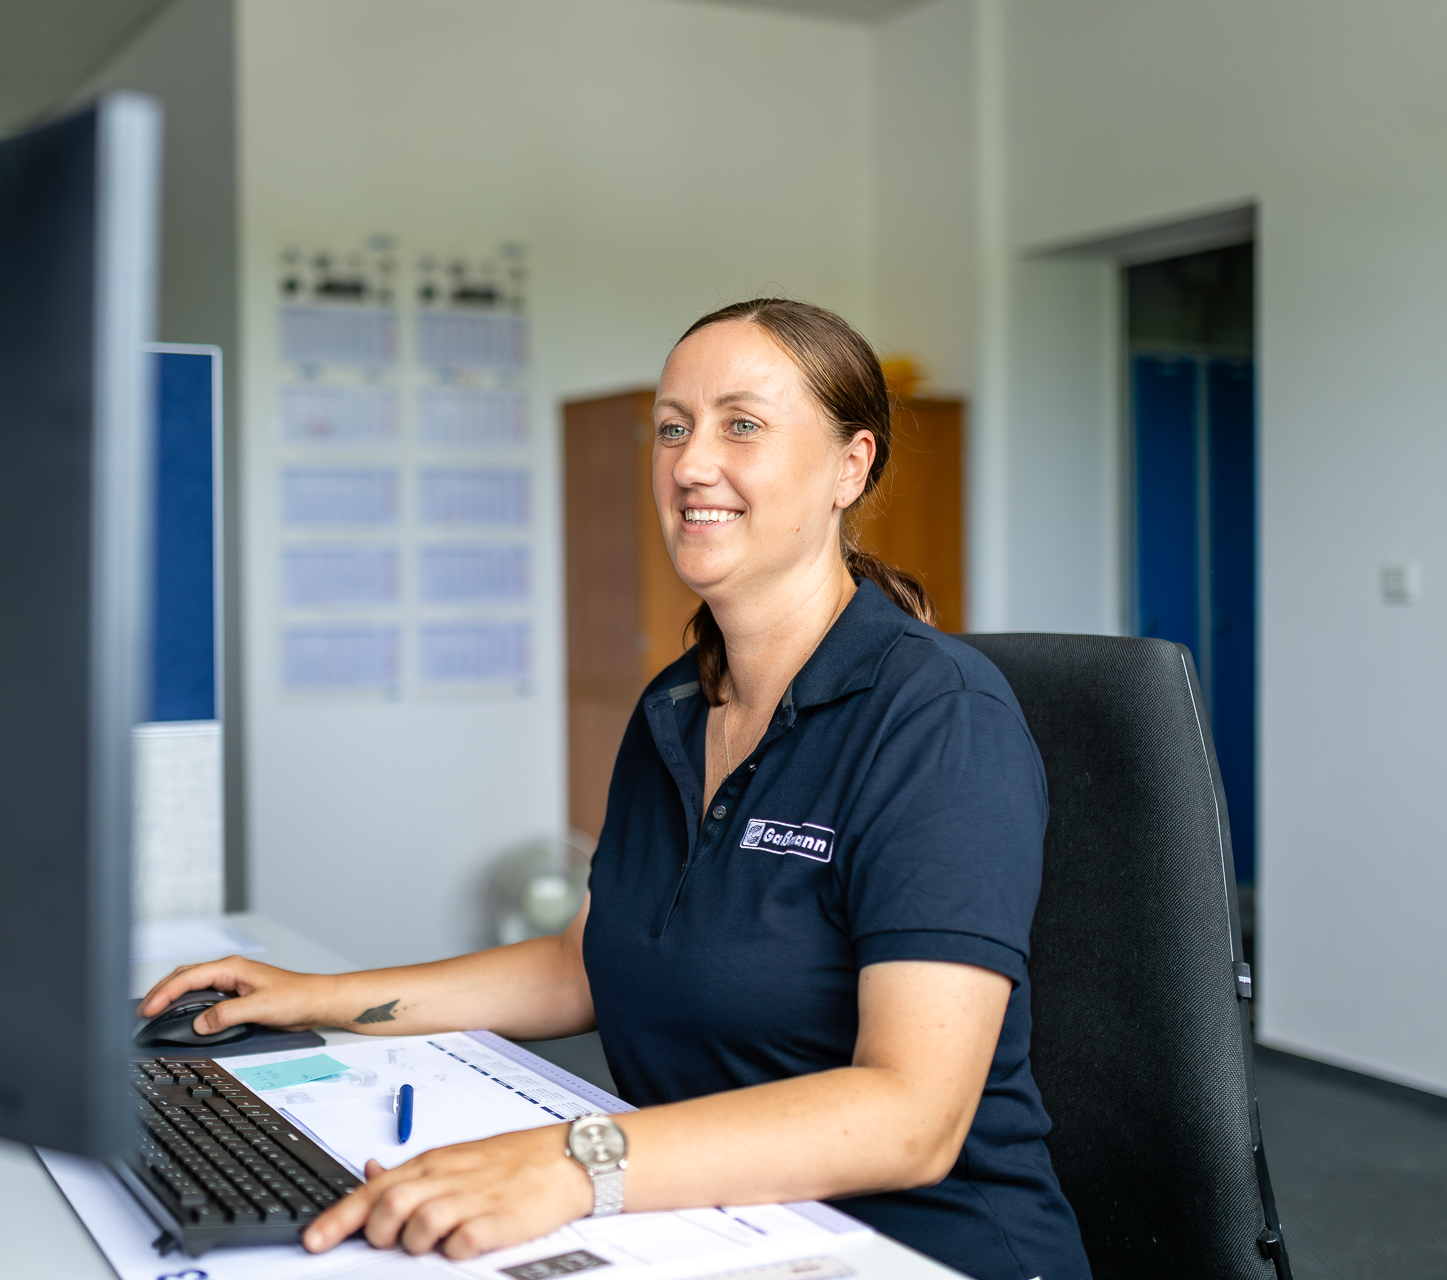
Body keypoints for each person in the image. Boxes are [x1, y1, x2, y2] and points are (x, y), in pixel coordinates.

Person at [139, 299, 1090, 1280]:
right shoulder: (675, 705)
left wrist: (570, 1159)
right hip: (714, 1217)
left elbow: (912, 1116)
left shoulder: (937, 716)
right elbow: (588, 962)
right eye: (673, 425)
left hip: (920, 1248)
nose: (689, 462)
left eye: (742, 424)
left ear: (852, 464)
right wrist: (319, 998)